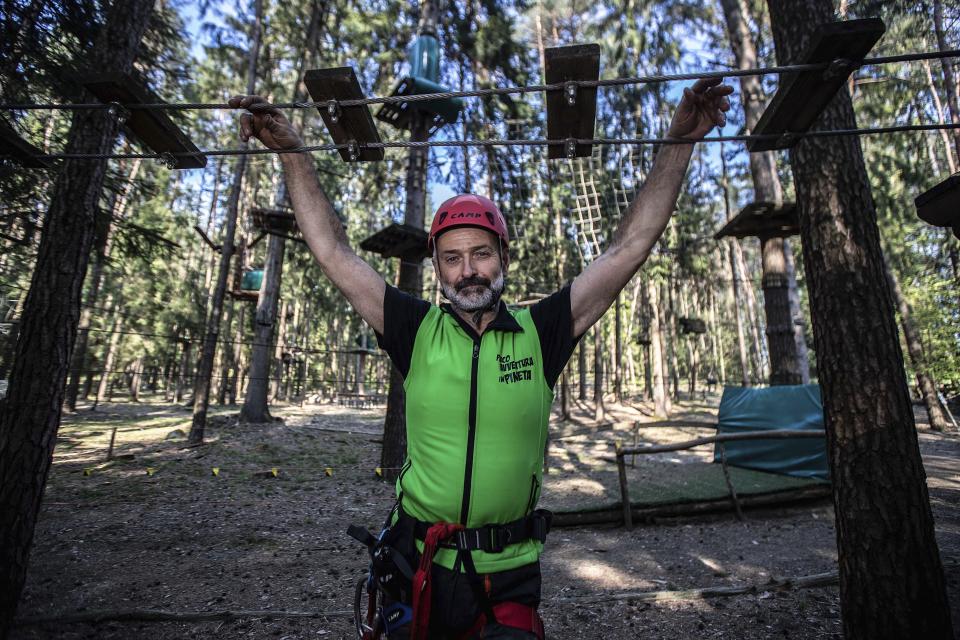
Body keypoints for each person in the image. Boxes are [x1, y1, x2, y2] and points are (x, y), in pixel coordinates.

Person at [230, 76, 732, 639]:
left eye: (480, 254)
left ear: (502, 259)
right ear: (439, 270)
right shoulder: (415, 329)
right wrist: (295, 154)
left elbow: (629, 247)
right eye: (451, 259)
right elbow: (332, 250)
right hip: (415, 564)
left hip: (508, 574)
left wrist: (679, 142)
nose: (467, 270)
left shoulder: (542, 331)